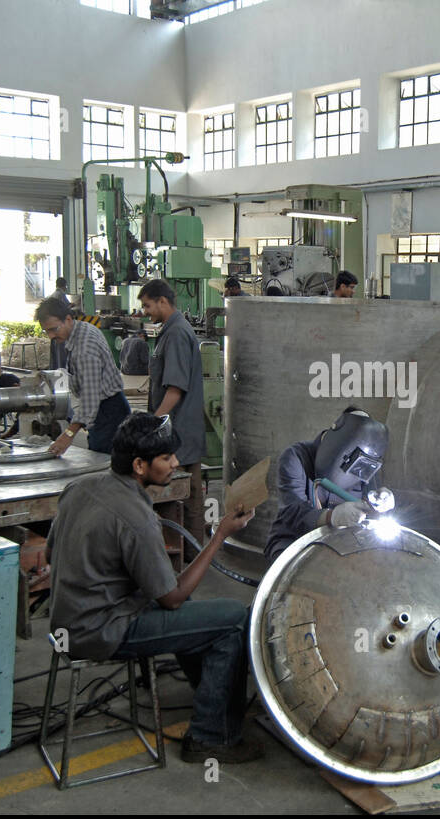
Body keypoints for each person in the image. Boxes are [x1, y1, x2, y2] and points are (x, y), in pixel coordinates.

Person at [47, 413, 261, 763]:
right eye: (166, 458)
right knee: (234, 618)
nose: (176, 463)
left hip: (67, 621)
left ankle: (213, 697)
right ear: (139, 465)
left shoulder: (80, 487)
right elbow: (171, 598)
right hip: (100, 631)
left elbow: (52, 553)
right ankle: (213, 736)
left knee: (195, 604)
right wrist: (219, 535)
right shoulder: (134, 515)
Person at [138, 279, 207, 556]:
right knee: (184, 494)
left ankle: (192, 555)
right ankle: (188, 550)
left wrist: (152, 425)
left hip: (179, 432)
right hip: (177, 430)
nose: (144, 311)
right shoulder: (170, 331)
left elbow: (175, 389)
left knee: (187, 495)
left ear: (163, 302)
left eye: (147, 305)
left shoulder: (177, 333)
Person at [265, 407, 388, 561]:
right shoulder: (295, 457)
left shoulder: (364, 467)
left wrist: (380, 504)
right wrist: (331, 517)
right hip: (294, 541)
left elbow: (369, 508)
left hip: (341, 543)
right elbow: (292, 513)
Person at [35, 295, 129, 455]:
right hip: (106, 408)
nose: (51, 336)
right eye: (46, 331)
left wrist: (68, 434)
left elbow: (90, 400)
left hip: (108, 413)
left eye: (53, 329)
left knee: (102, 461)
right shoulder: (82, 329)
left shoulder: (85, 350)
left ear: (68, 319)